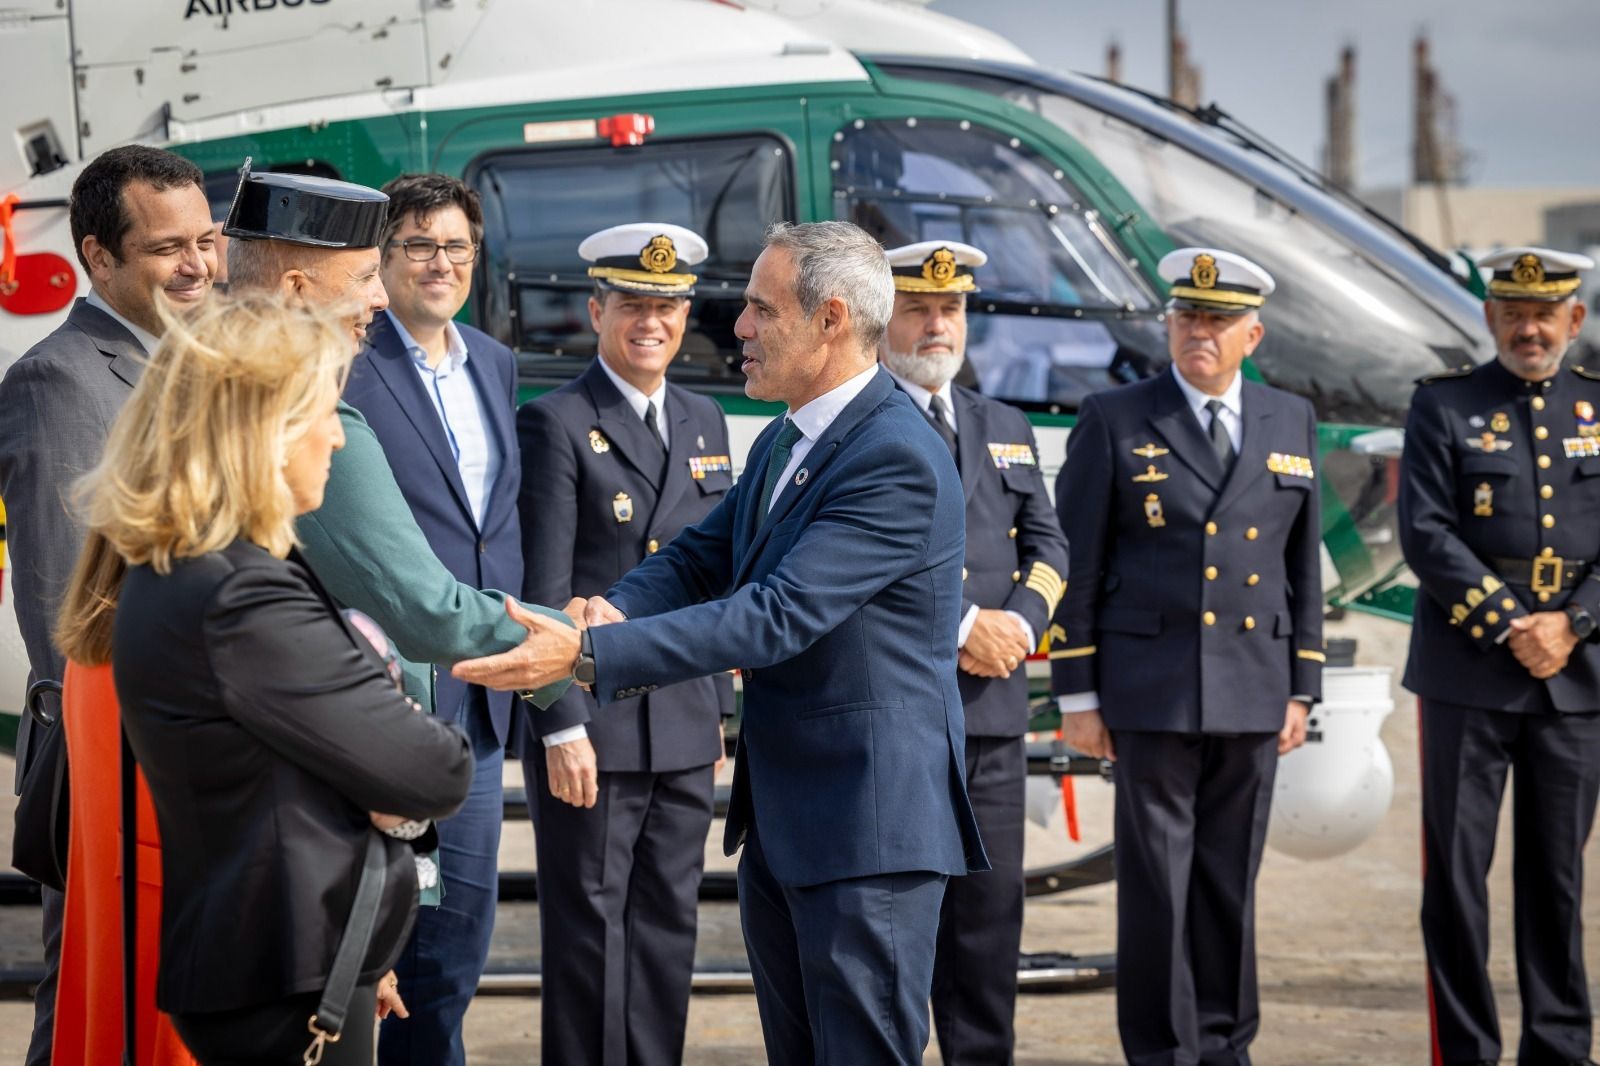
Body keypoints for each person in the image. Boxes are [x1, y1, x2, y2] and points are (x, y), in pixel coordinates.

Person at [455, 220, 987, 1066]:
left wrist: (587, 659)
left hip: (867, 828)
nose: (737, 327)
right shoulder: (790, 436)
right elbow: (706, 556)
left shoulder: (894, 456)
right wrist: (607, 613)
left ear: (830, 321)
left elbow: (775, 613)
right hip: (793, 821)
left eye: (758, 309)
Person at [61, 290, 474, 1064]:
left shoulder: (197, 569)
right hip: (287, 976)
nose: (337, 440)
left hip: (279, 960)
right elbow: (434, 768)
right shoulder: (239, 594)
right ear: (265, 433)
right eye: (322, 414)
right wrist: (384, 790)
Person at [221, 163, 575, 1063]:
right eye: (369, 273)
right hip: (336, 757)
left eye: (449, 246)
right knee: (358, 1000)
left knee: (436, 973)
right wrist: (582, 647)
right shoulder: (306, 401)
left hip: (408, 720)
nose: (379, 296)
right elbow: (415, 601)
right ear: (300, 286)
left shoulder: (216, 392)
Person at [1049, 247, 1321, 1066]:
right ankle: (1163, 1051)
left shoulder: (1288, 418)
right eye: (1187, 317)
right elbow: (1079, 563)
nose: (1199, 332)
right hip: (1151, 688)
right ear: (1167, 325)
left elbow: (1300, 566)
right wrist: (1077, 696)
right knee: (1159, 889)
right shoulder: (1117, 417)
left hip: (1254, 686)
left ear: (1253, 335)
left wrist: (1302, 687)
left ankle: (1226, 1045)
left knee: (1229, 884)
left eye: (1218, 321)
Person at [0, 143, 216, 1066]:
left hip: (182, 749)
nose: (199, 265)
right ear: (98, 256)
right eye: (169, 248)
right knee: (92, 1001)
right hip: (118, 764)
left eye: (206, 241)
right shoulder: (60, 381)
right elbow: (69, 616)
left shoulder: (186, 360)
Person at [517, 222, 735, 1065]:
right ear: (596, 310)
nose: (653, 322)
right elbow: (540, 594)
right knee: (588, 933)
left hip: (681, 720)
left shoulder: (705, 416)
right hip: (592, 730)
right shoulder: (559, 422)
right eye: (635, 305)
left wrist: (716, 708)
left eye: (669, 306)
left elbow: (712, 578)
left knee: (667, 929)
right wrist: (560, 724)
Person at [1400, 246, 1600, 1066]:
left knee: (1556, 880)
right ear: (1489, 316)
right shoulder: (1444, 405)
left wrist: (1573, 624)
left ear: (1574, 319)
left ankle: (1557, 1047)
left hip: (1576, 676)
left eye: (1544, 313)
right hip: (1467, 669)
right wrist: (1512, 624)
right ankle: (1468, 1051)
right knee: (1455, 879)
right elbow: (1426, 530)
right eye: (1512, 312)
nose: (1529, 328)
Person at [343, 172, 523, 1060]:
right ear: (383, 259)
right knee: (382, 950)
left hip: (480, 709)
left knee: (455, 956)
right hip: (388, 699)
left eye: (455, 245)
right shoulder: (354, 364)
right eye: (417, 245)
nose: (439, 262)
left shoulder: (493, 363)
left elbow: (502, 538)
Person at [878, 240, 1067, 1065]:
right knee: (896, 934)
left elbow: (1049, 542)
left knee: (988, 930)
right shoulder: (859, 418)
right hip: (899, 716)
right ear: (887, 316)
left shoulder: (1005, 424)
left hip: (992, 716)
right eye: (919, 308)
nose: (935, 325)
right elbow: (863, 557)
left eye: (950, 309)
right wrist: (962, 624)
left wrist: (1019, 624)